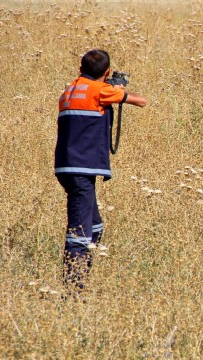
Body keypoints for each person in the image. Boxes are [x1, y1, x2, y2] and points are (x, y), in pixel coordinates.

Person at [55, 49, 147, 291]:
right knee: (79, 232)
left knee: (95, 226)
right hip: (82, 169)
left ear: (79, 69)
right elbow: (141, 101)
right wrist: (117, 89)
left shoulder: (69, 91)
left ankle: (83, 271)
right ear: (106, 72)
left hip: (65, 167)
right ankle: (74, 289)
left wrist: (109, 88)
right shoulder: (100, 90)